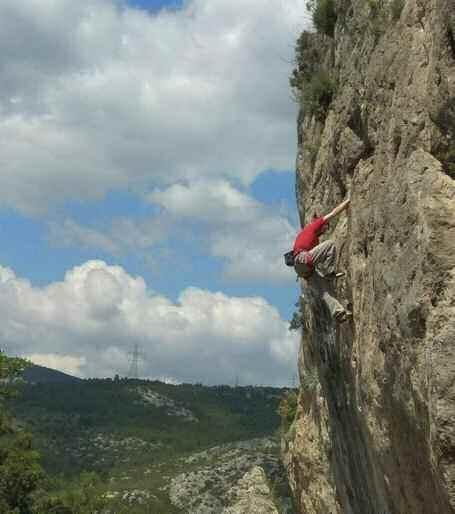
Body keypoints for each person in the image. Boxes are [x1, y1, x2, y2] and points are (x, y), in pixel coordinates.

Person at [292, 198, 351, 322]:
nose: (325, 230)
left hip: (303, 269)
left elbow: (316, 258)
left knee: (324, 290)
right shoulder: (314, 225)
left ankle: (338, 312)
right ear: (321, 225)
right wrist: (349, 201)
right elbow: (334, 213)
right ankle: (329, 272)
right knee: (330, 244)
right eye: (325, 228)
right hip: (302, 260)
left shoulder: (311, 237)